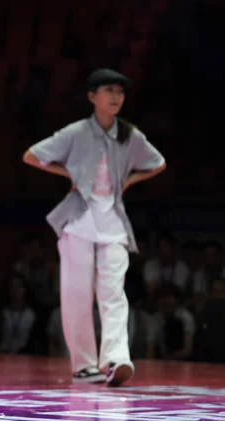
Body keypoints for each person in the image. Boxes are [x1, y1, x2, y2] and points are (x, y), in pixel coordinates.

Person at [22, 69, 166, 386]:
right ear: (92, 96)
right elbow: (32, 156)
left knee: (114, 292)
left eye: (120, 92)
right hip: (79, 220)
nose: (116, 96)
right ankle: (84, 365)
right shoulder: (76, 132)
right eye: (109, 90)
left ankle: (116, 359)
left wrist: (127, 181)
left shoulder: (129, 134)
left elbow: (157, 162)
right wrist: (69, 174)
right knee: (77, 294)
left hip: (113, 220)